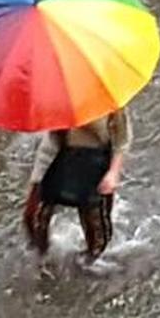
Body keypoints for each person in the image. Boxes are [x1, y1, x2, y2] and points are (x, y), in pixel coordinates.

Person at [22, 109, 132, 262]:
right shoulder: (56, 96)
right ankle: (43, 261)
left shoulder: (109, 100)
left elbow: (121, 141)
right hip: (58, 152)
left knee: (96, 233)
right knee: (32, 217)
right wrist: (37, 179)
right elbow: (51, 140)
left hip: (95, 161)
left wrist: (113, 173)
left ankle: (91, 269)